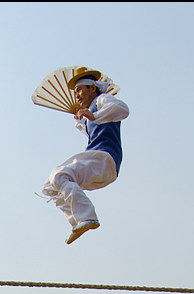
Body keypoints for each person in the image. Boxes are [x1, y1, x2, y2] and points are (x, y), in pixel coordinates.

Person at [41, 66, 129, 244]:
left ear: (92, 88)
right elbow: (95, 129)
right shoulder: (92, 113)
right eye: (75, 92)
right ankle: (78, 222)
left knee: (59, 175)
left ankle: (87, 216)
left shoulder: (103, 100)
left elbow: (122, 109)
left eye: (79, 90)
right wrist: (82, 122)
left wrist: (94, 114)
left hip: (104, 158)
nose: (77, 95)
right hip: (102, 168)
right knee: (50, 186)